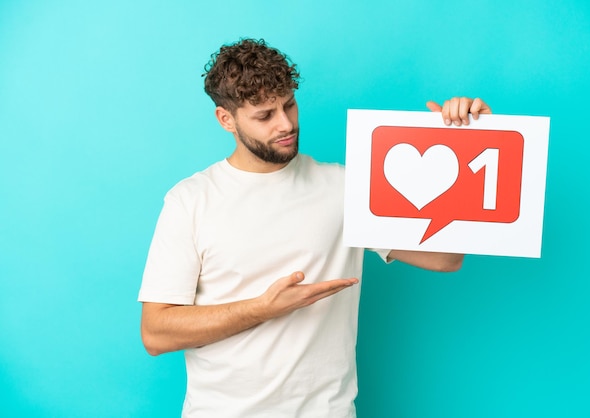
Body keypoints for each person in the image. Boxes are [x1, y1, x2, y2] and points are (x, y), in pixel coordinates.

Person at [138, 38, 492, 417]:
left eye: (289, 104)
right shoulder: (190, 201)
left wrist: (465, 142)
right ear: (226, 119)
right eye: (264, 115)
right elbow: (156, 333)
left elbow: (445, 259)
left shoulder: (345, 188)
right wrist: (262, 308)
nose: (286, 124)